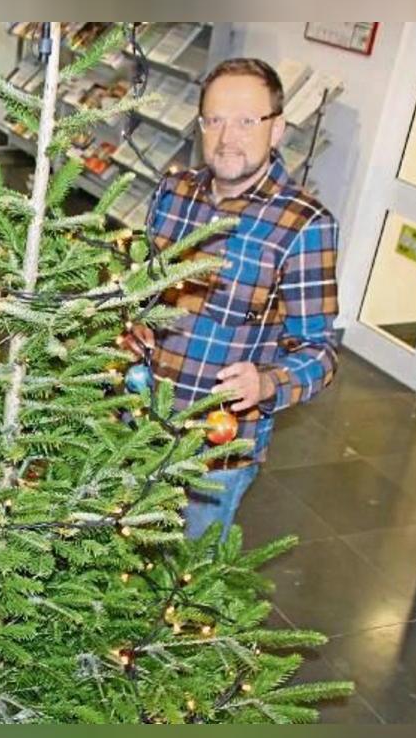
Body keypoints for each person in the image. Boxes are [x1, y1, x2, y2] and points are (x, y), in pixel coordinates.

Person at [127, 58, 339, 540]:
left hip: (216, 446)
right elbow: (145, 285)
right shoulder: (174, 190)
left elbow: (321, 353)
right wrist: (135, 320)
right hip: (140, 419)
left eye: (247, 121)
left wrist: (266, 385)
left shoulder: (303, 224)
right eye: (215, 120)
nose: (228, 138)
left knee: (187, 577)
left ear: (277, 128)